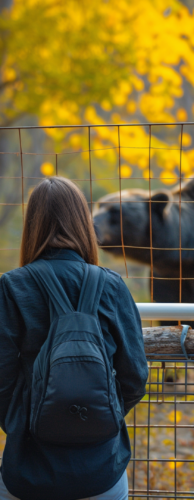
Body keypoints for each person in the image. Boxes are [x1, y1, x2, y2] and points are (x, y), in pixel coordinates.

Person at [0, 177, 149, 500]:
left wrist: (24, 420)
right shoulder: (112, 285)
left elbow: (1, 377)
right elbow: (135, 376)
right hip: (102, 472)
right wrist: (94, 413)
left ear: (31, 225)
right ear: (83, 222)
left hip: (27, 470)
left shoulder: (11, 287)